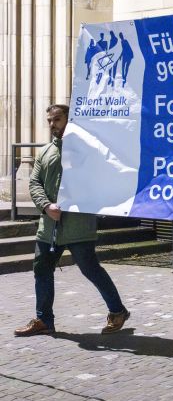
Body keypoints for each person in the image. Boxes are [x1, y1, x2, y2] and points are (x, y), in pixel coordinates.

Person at [15, 104, 130, 337]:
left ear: (69, 119)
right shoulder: (46, 152)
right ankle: (44, 320)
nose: (52, 125)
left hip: (78, 225)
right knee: (42, 270)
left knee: (90, 269)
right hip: (49, 227)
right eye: (49, 120)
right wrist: (46, 206)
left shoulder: (87, 151)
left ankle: (118, 311)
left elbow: (98, 182)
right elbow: (35, 183)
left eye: (57, 119)